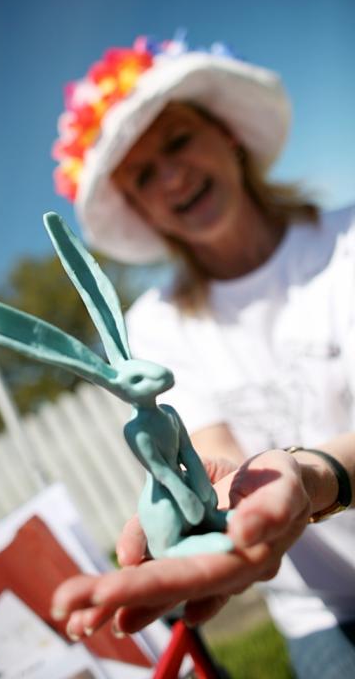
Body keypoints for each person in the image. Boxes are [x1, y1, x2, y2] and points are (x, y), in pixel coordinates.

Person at [50, 35, 355, 677]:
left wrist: (312, 474)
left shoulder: (347, 243)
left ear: (228, 136)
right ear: (139, 208)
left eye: (179, 142)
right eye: (142, 175)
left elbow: (294, 477)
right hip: (326, 614)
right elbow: (222, 467)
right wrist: (213, 514)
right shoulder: (153, 327)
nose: (171, 176)